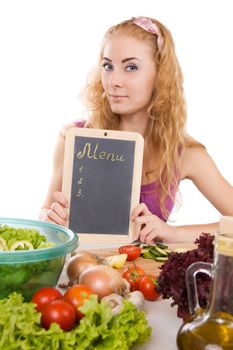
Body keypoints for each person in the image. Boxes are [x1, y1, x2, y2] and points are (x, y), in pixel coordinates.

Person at [40, 16, 233, 243]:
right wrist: (52, 219)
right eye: (108, 66)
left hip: (146, 276)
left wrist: (173, 233)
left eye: (131, 67)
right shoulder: (75, 139)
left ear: (160, 75)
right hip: (84, 273)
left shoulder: (184, 154)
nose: (114, 81)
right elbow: (44, 217)